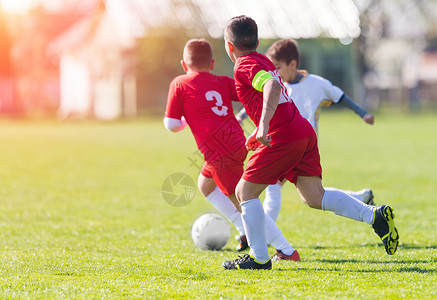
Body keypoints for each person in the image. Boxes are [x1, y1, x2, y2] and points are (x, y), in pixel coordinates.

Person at [222, 15, 399, 270]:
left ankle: (259, 258)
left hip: (285, 136)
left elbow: (271, 86)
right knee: (314, 196)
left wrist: (263, 125)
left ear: (229, 46)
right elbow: (275, 93)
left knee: (244, 192)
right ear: (258, 41)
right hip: (302, 130)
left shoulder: (243, 65)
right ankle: (375, 215)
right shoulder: (261, 59)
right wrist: (261, 128)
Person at [164, 38, 299, 261]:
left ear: (183, 64)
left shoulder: (179, 83)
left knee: (245, 201)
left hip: (219, 152)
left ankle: (285, 249)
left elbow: (171, 124)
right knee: (205, 184)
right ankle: (245, 231)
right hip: (236, 141)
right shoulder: (223, 81)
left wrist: (188, 120)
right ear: (213, 63)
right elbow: (252, 95)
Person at [236, 38, 375, 223]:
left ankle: (268, 234)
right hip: (286, 140)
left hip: (297, 143)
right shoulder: (278, 83)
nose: (274, 71)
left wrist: (363, 113)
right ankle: (361, 200)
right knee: (313, 196)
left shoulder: (317, 83)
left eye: (277, 67)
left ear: (292, 64)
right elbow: (263, 99)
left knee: (272, 189)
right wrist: (242, 116)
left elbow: (340, 96)